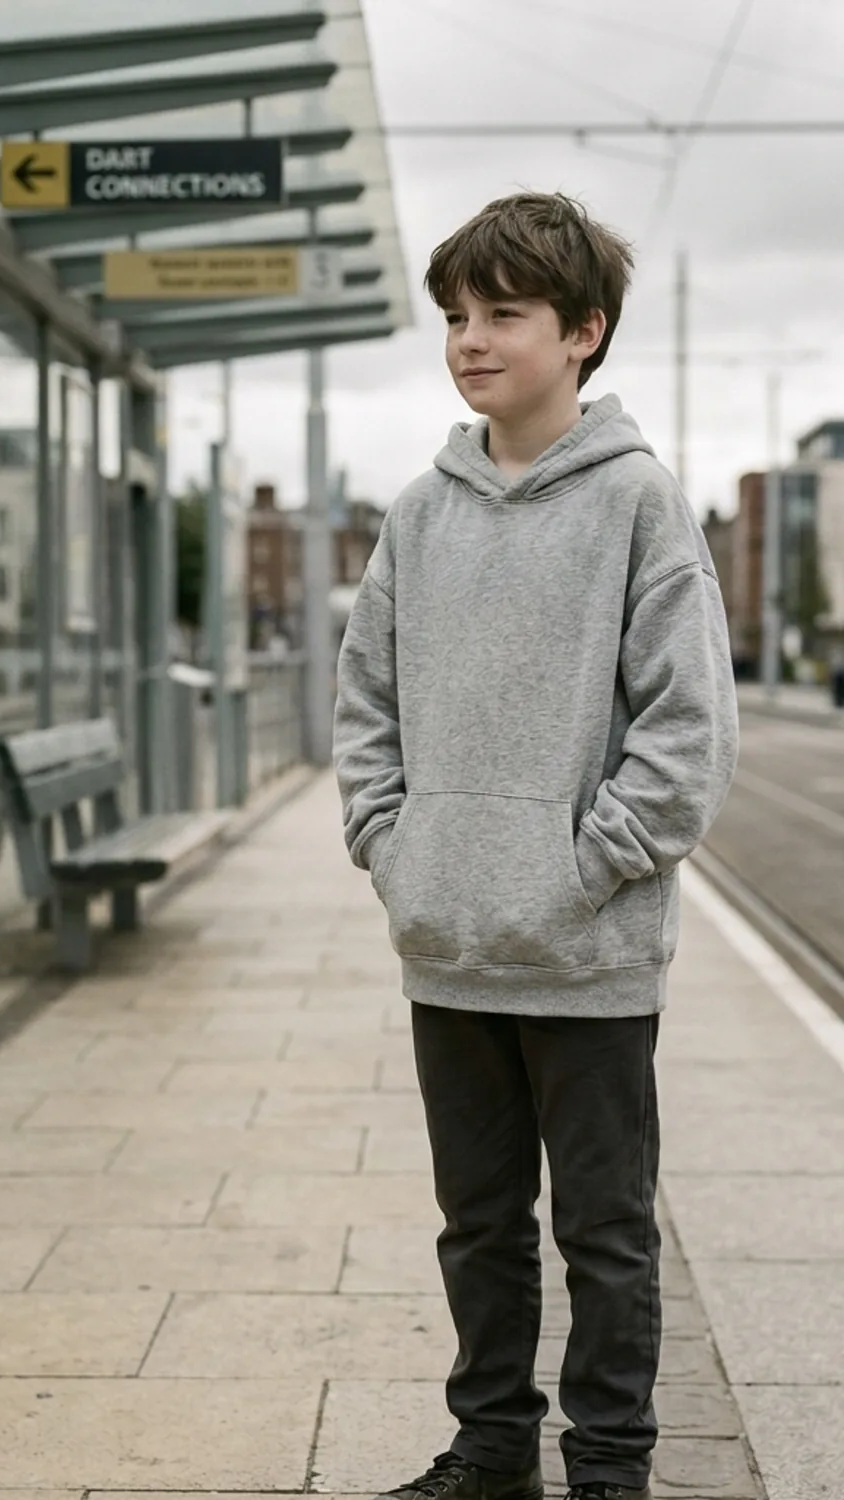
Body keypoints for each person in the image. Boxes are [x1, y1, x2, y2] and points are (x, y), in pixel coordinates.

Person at [332, 192, 739, 1500]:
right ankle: (489, 1451)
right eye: (457, 314)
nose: (470, 337)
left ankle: (610, 1472)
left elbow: (688, 734)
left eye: (503, 313)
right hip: (448, 938)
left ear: (583, 332)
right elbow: (364, 705)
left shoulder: (638, 506)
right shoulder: (419, 512)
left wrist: (579, 870)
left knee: (607, 1236)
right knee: (479, 1229)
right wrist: (396, 850)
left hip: (587, 953)